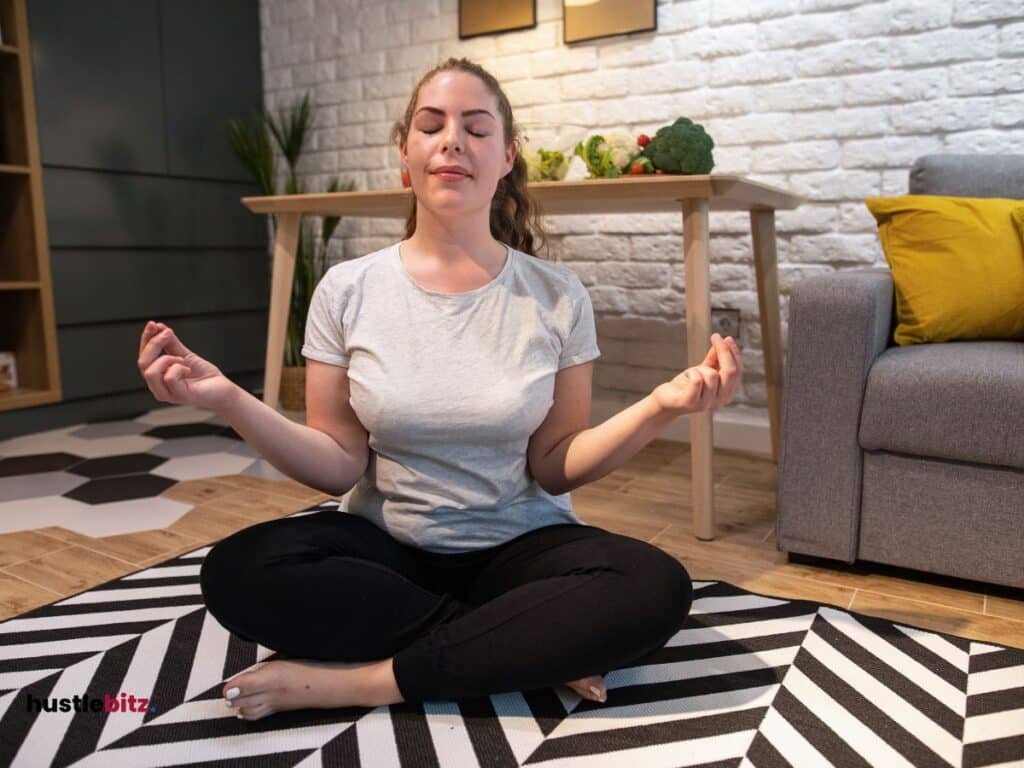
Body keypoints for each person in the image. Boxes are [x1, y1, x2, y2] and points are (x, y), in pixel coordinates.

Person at [136, 57, 742, 722]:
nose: (453, 139)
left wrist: (662, 406)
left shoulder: (556, 295)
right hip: (390, 549)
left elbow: (554, 465)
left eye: (477, 129)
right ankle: (524, 641)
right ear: (406, 153)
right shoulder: (347, 289)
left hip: (520, 546)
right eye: (432, 125)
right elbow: (338, 464)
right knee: (237, 568)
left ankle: (363, 682)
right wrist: (228, 398)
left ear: (507, 158)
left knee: (655, 586)